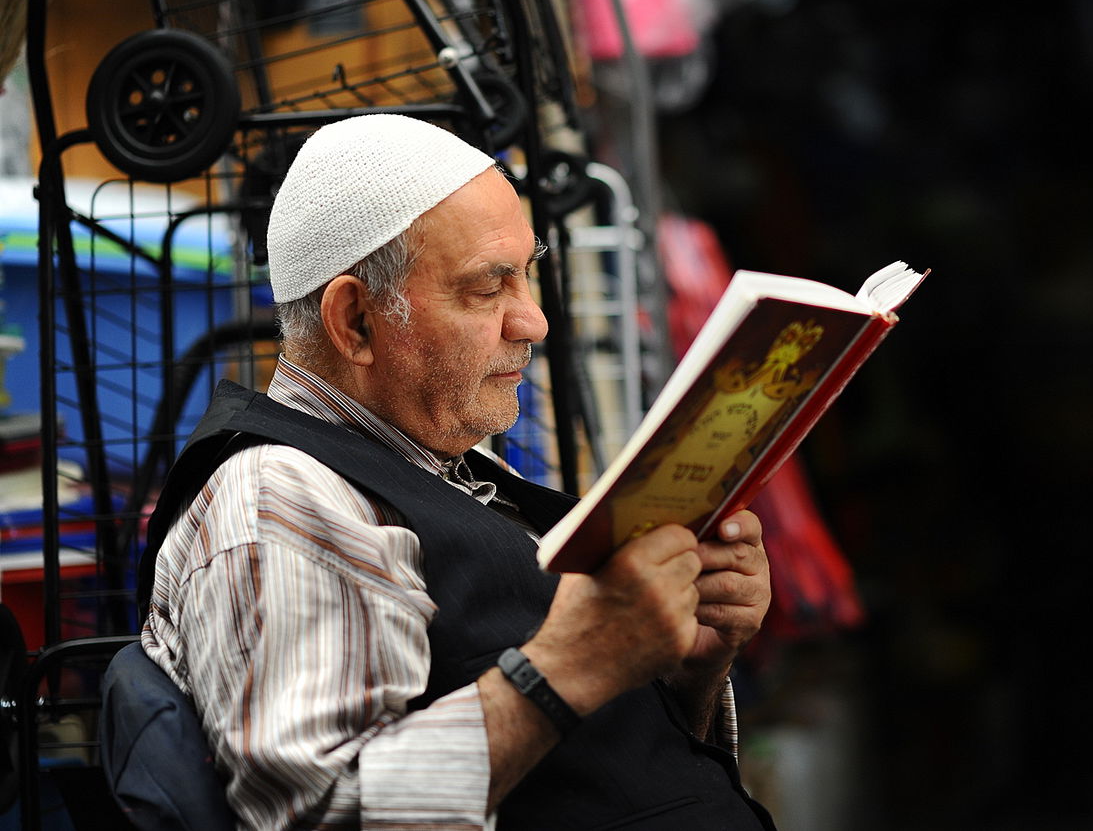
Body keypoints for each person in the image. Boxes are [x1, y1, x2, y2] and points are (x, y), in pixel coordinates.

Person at [137, 114, 775, 829]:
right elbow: (324, 814)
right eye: (486, 288)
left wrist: (685, 665)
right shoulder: (280, 500)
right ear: (355, 321)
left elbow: (599, 773)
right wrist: (567, 666)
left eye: (526, 274)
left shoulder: (440, 463)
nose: (532, 320)